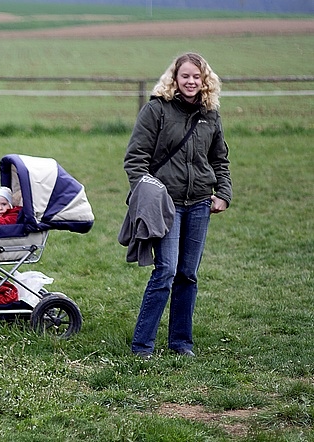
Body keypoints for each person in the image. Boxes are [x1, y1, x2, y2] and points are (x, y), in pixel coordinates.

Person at [123, 52, 232, 359]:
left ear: (205, 80)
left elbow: (219, 159)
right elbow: (135, 159)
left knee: (188, 274)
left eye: (197, 76)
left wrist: (223, 192)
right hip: (165, 204)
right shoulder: (157, 109)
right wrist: (146, 194)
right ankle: (142, 346)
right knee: (166, 271)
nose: (191, 82)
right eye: (185, 76)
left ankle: (181, 344)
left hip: (199, 202)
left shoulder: (210, 114)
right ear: (174, 78)